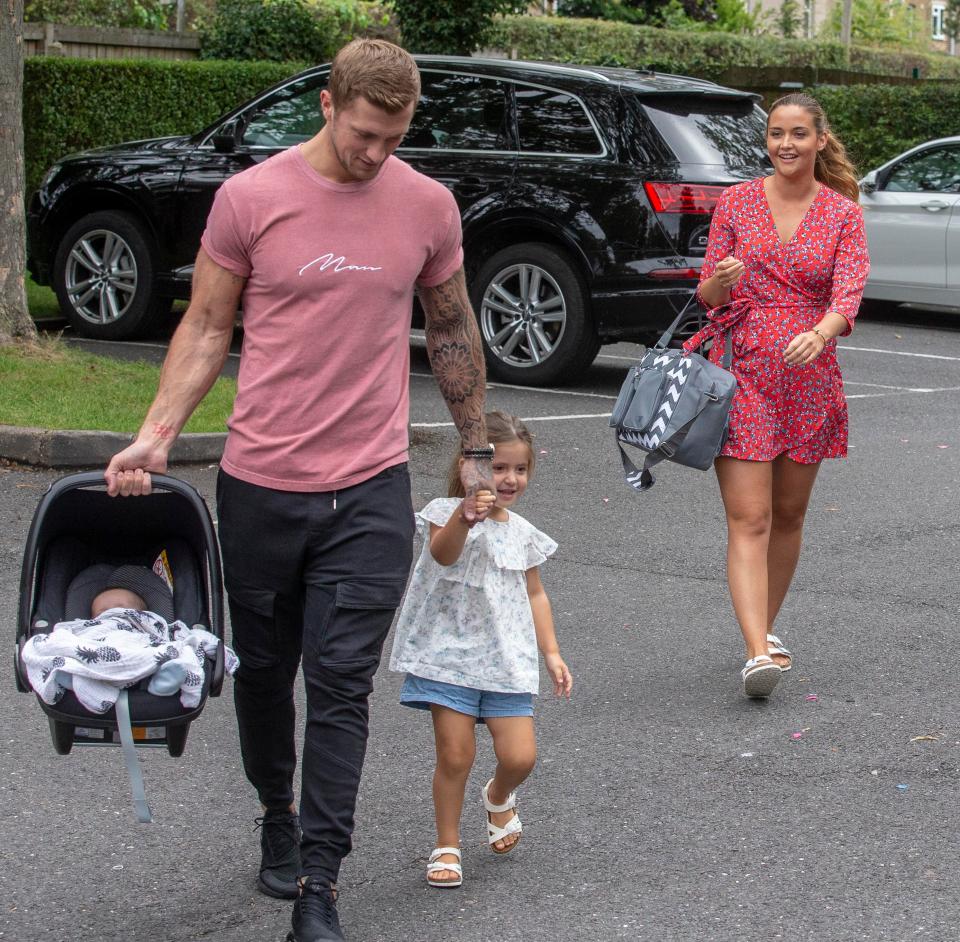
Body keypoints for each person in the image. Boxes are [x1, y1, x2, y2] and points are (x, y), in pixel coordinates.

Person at [103, 39, 494, 942]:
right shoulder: (251, 199)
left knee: (343, 683)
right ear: (328, 105)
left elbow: (452, 328)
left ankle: (320, 881)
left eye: (394, 138)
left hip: (368, 487)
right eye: (364, 134)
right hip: (261, 483)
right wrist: (157, 435)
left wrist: (476, 446)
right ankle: (275, 812)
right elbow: (206, 326)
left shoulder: (428, 206)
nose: (377, 154)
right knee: (267, 673)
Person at [688, 92, 869, 699]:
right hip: (742, 376)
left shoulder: (842, 213)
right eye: (775, 134)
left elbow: (848, 296)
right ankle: (756, 652)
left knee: (788, 515)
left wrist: (822, 332)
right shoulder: (737, 201)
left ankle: (764, 629)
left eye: (797, 134)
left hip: (809, 380)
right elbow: (709, 296)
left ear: (820, 140)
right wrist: (718, 281)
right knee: (751, 517)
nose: (785, 144)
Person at [389, 411, 573, 888]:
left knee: (520, 757)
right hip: (448, 656)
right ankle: (446, 844)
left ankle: (498, 795)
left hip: (505, 660)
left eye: (520, 469)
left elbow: (535, 594)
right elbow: (442, 553)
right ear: (470, 468)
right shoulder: (442, 513)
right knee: (455, 755)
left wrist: (550, 652)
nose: (509, 478)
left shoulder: (522, 533)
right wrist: (464, 517)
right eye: (499, 468)